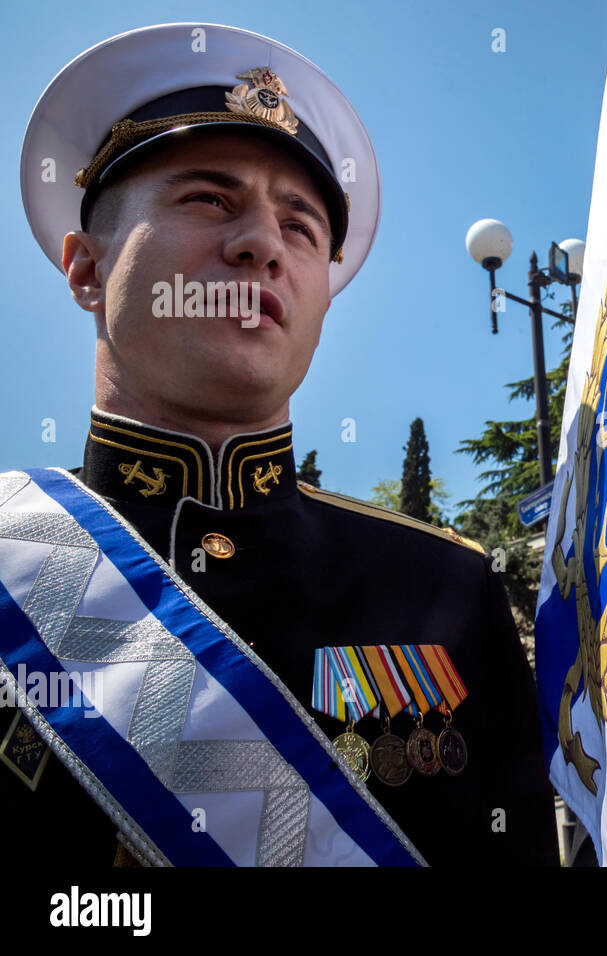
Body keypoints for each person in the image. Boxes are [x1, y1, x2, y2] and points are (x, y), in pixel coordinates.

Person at [0, 23, 559, 866]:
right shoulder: (15, 549)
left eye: (300, 227)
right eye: (209, 200)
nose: (261, 243)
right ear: (86, 269)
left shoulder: (448, 584)